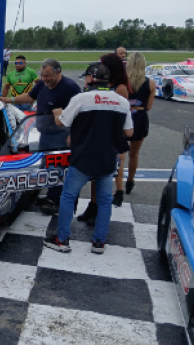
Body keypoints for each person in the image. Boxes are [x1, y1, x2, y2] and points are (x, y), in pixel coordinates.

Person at [43, 63, 133, 254]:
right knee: (104, 200)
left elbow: (62, 122)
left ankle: (62, 238)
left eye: (86, 77)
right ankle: (99, 242)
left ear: (91, 78)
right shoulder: (122, 101)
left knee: (67, 196)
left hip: (83, 158)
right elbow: (129, 131)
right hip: (108, 158)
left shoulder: (81, 98)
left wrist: (58, 112)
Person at [0, 59, 82, 214]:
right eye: (42, 75)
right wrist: (9, 99)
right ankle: (51, 196)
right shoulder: (43, 84)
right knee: (47, 167)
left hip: (61, 135)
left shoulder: (70, 88)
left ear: (58, 72)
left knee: (58, 168)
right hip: (46, 133)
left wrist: (72, 134)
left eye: (47, 76)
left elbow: (80, 113)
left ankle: (57, 201)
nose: (44, 79)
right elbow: (30, 97)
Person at [77, 53, 132, 223]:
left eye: (102, 64)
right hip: (97, 132)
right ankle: (93, 206)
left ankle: (100, 208)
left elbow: (119, 113)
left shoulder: (120, 88)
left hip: (112, 135)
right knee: (95, 175)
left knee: (106, 175)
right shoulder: (102, 84)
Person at [125, 52, 155, 195]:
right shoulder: (150, 83)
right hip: (140, 117)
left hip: (124, 117)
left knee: (119, 153)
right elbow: (148, 107)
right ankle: (130, 180)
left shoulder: (123, 82)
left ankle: (117, 183)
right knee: (134, 153)